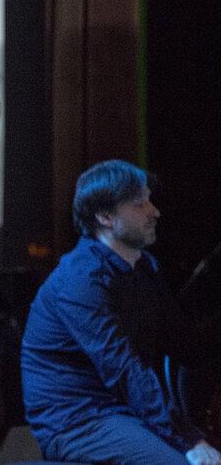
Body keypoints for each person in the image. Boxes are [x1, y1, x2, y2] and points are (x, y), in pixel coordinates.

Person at [21, 159, 221, 465]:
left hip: (123, 412)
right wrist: (189, 438)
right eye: (140, 204)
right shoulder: (81, 279)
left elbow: (186, 346)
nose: (154, 211)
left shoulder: (143, 267)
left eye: (149, 200)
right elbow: (125, 370)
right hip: (77, 423)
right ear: (105, 216)